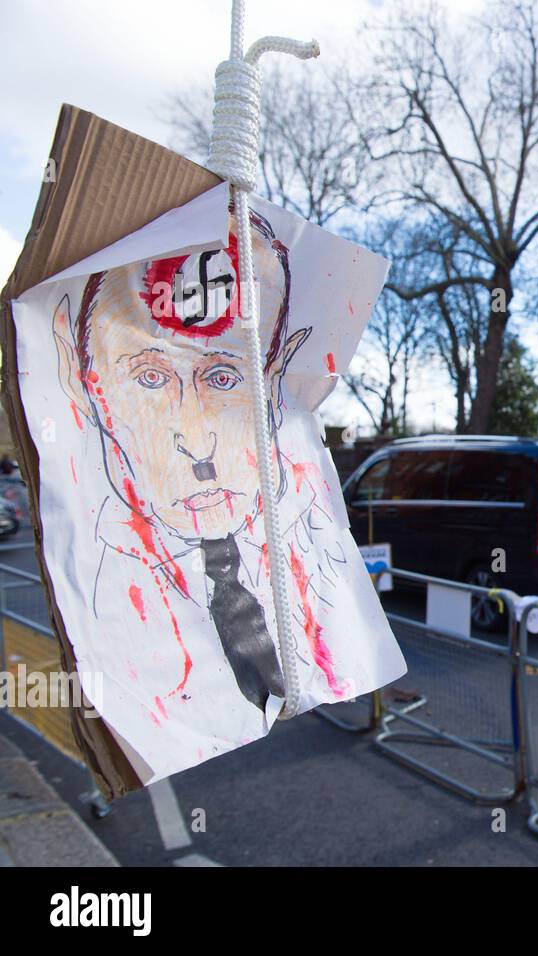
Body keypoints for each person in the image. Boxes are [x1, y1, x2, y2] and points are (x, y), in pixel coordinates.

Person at [47, 202, 398, 780]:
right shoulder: (101, 586)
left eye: (224, 377)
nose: (198, 438)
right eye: (152, 379)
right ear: (94, 395)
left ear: (275, 378)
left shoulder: (317, 561)